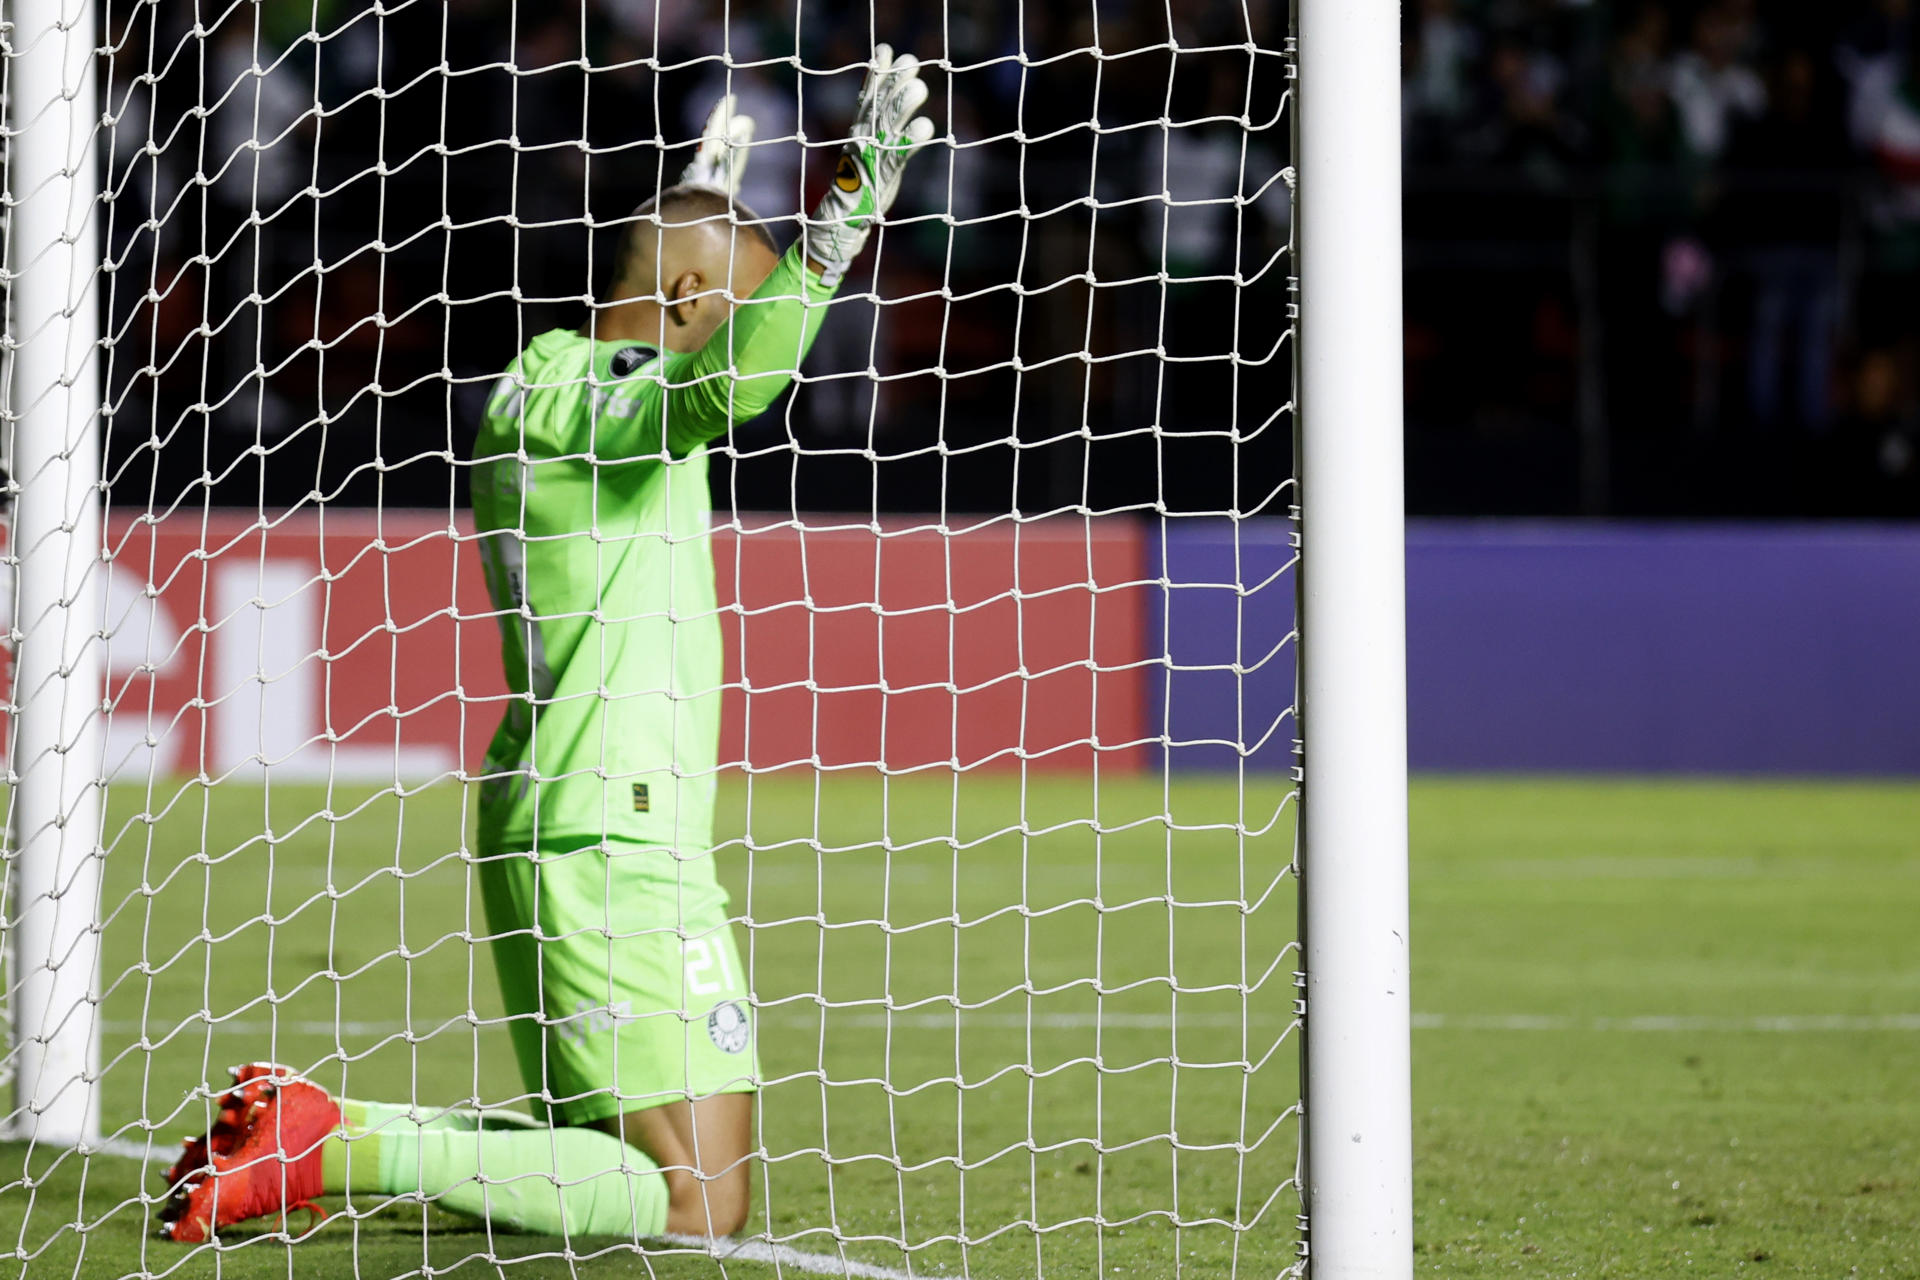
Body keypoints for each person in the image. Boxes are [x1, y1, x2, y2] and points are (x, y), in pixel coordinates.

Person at [155, 46, 936, 1244]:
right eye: (737, 307)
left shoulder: (545, 385)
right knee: (685, 1203)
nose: (758, 334)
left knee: (679, 1183)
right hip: (605, 832)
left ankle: (322, 1124)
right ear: (684, 306)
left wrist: (707, 219)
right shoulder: (605, 393)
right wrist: (844, 211)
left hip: (598, 819)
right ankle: (335, 1136)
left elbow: (675, 331)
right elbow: (719, 384)